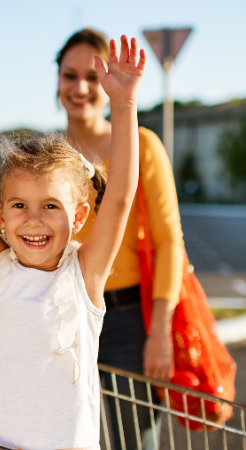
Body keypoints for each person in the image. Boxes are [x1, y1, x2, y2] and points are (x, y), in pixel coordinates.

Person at [0, 37, 146, 450]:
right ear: (1, 216)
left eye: (50, 206)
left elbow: (119, 195)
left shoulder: (84, 277)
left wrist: (124, 104)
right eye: (20, 205)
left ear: (78, 217)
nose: (34, 219)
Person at [57, 28, 186, 448]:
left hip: (130, 321)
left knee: (136, 442)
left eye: (93, 77)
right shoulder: (45, 156)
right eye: (69, 75)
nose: (80, 87)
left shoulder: (141, 146)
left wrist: (160, 330)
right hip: (64, 319)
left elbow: (169, 241)